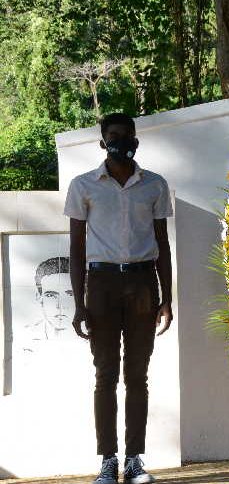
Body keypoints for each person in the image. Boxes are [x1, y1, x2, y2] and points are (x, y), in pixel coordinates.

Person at [65, 112, 174, 484]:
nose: (121, 142)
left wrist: (167, 297)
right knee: (105, 374)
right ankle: (108, 461)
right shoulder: (84, 186)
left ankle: (135, 460)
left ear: (136, 141)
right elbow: (77, 248)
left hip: (144, 284)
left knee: (137, 376)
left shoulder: (155, 185)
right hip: (101, 285)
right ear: (102, 142)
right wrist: (79, 302)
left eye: (127, 136)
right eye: (113, 136)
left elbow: (162, 243)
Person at [29, 256, 74, 340]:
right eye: (50, 295)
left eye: (71, 294)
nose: (60, 305)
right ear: (39, 298)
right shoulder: (28, 340)